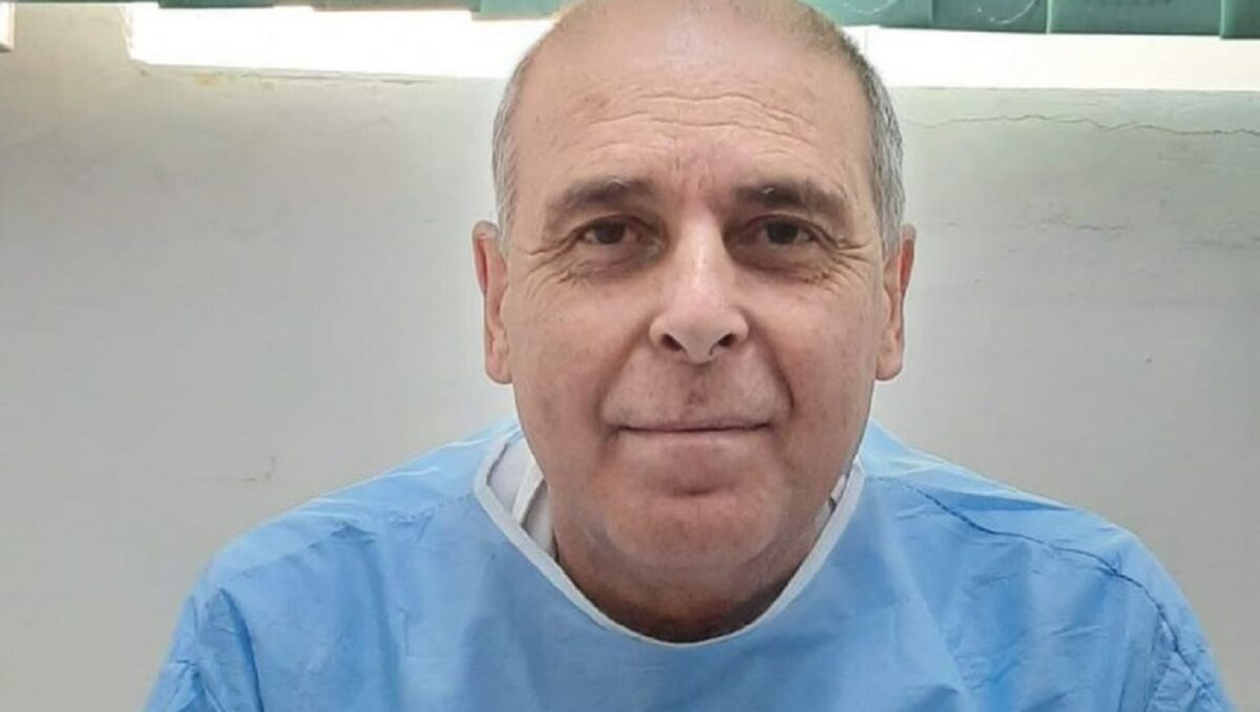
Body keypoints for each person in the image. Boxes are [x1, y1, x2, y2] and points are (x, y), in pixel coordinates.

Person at [145, 0, 1234, 709]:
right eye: (610, 233)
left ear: (890, 302)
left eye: (781, 232)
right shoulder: (285, 644)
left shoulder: (1090, 645)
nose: (699, 314)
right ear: (499, 303)